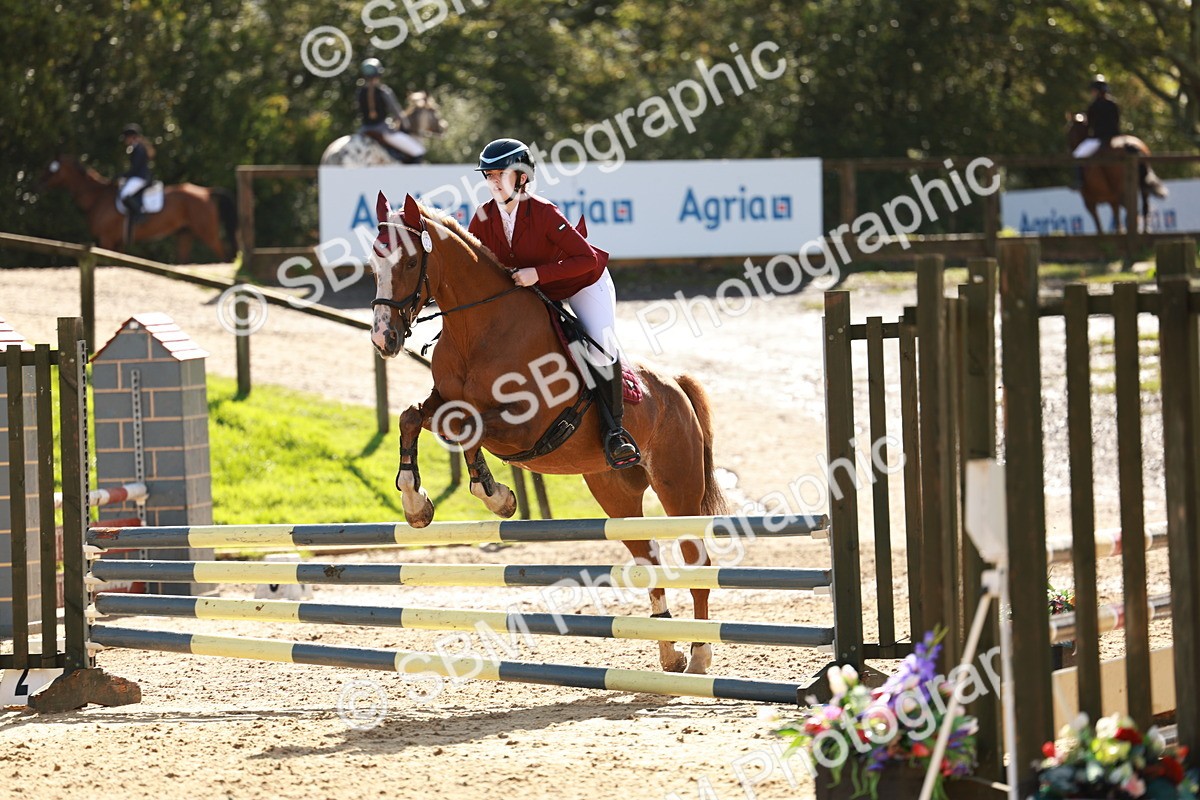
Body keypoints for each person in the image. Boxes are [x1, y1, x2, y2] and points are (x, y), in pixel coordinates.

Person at [467, 138, 641, 469]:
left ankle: (616, 432)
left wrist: (538, 273)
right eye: (488, 175)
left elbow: (586, 260)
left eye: (500, 174)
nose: (492, 181)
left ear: (521, 177)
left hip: (582, 283)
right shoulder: (482, 217)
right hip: (538, 292)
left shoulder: (544, 212)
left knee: (599, 346)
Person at [357, 58, 426, 163]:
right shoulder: (383, 91)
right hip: (383, 131)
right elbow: (397, 112)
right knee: (418, 151)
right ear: (379, 74)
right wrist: (406, 126)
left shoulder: (359, 92)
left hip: (363, 130)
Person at [1072, 75, 1120, 189]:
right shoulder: (1113, 104)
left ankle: (1079, 181)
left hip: (1099, 139)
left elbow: (1089, 126)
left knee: (1077, 155)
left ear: (1097, 91)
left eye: (1093, 90)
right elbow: (1117, 121)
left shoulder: (1093, 106)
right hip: (1116, 137)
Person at [118, 123, 153, 222]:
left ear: (132, 137)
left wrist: (124, 175)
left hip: (140, 177)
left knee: (124, 194)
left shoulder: (139, 149)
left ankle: (139, 214)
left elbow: (136, 168)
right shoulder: (136, 147)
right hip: (138, 176)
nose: (125, 140)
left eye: (126, 138)